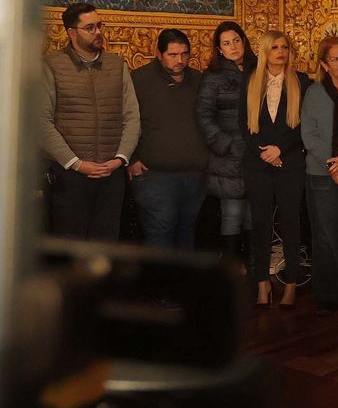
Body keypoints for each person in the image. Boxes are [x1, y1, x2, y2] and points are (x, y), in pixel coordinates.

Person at [40, 2, 139, 241]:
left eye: (99, 26)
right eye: (90, 27)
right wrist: (76, 163)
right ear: (72, 32)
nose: (98, 32)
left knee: (105, 247)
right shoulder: (51, 66)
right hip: (69, 176)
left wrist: (119, 159)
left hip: (111, 174)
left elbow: (132, 116)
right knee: (71, 248)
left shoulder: (117, 65)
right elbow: (41, 122)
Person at [128, 28, 210, 250]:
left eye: (184, 54)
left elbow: (212, 120)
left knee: (187, 234)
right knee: (160, 236)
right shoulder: (139, 80)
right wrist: (131, 159)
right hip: (155, 177)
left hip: (194, 177)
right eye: (173, 55)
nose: (180, 60)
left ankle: (182, 284)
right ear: (158, 54)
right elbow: (122, 121)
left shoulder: (200, 80)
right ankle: (161, 285)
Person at [245, 30, 309, 308]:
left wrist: (279, 150)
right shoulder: (250, 82)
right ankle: (261, 284)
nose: (280, 52)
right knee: (260, 224)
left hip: (290, 163)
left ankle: (291, 284)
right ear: (265, 52)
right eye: (275, 48)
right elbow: (241, 125)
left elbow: (303, 126)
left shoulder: (301, 82)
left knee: (291, 224)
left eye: (285, 47)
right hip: (257, 164)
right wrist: (264, 153)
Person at [301, 35, 338, 317]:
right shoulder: (315, 93)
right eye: (335, 59)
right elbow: (309, 137)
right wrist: (332, 167)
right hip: (321, 173)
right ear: (324, 64)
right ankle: (327, 295)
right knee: (325, 237)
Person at [197, 20, 256, 259]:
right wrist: (226, 143)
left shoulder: (259, 69)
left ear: (244, 41)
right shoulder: (214, 76)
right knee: (232, 214)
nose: (233, 47)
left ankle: (255, 269)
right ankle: (235, 268)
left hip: (257, 153)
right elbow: (203, 114)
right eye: (226, 43)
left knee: (255, 214)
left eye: (236, 41)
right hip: (228, 157)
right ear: (219, 49)